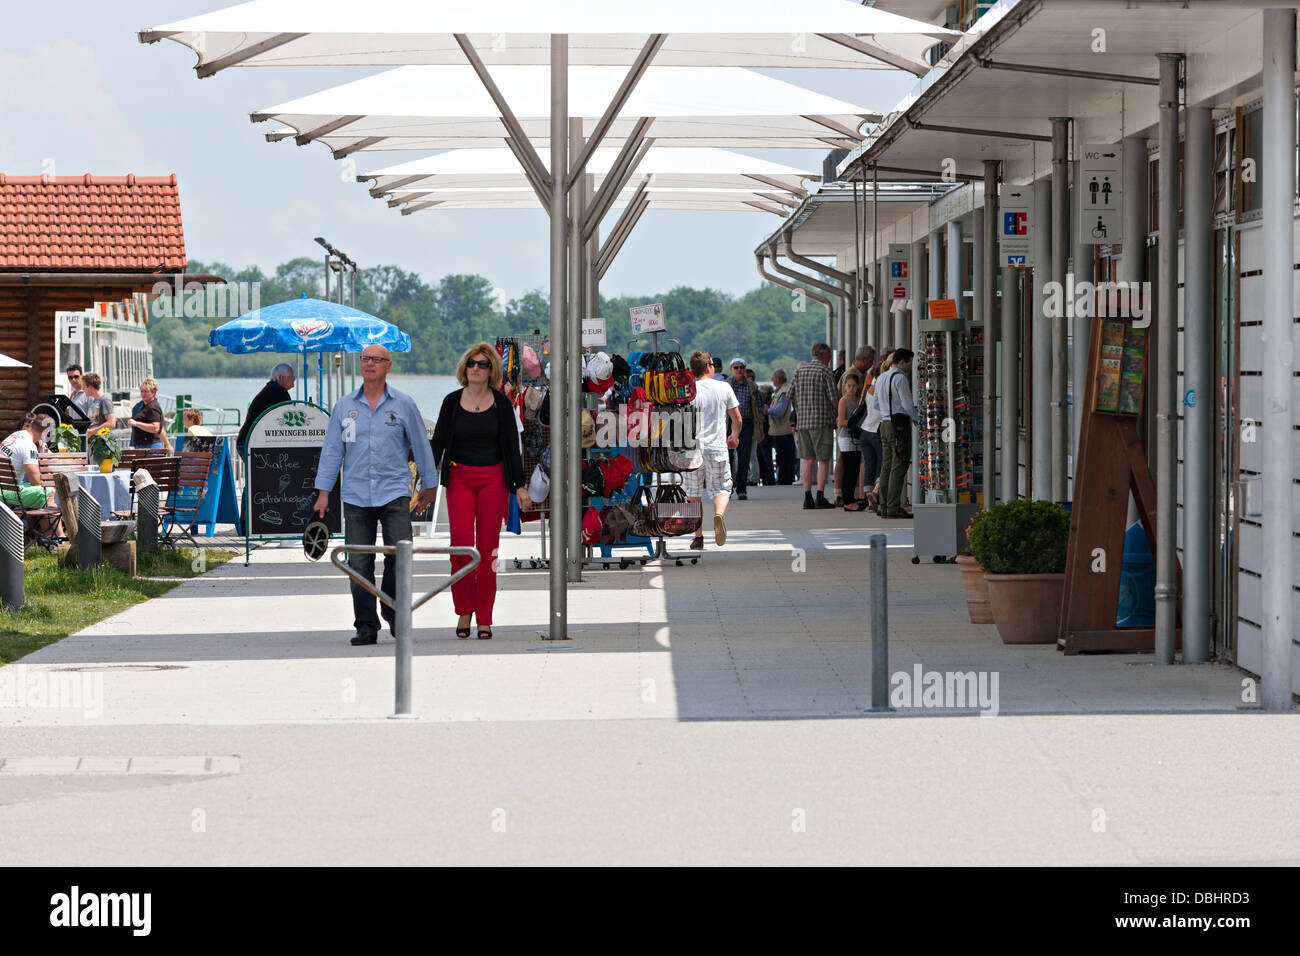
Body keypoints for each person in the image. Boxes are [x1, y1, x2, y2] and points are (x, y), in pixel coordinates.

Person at [313, 345, 438, 647]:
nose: (369, 364)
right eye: (365, 359)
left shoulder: (404, 404)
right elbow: (332, 451)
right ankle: (366, 626)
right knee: (358, 564)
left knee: (399, 557)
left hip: (395, 492)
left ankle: (392, 610)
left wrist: (430, 485)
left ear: (388, 366)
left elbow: (421, 445)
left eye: (376, 360)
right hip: (356, 494)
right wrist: (323, 492)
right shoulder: (344, 407)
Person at [430, 343, 529, 640]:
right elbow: (438, 444)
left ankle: (484, 616)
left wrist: (519, 486)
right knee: (460, 547)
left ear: (492, 371)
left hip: (493, 479)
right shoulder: (450, 402)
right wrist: (425, 479)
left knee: (488, 550)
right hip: (459, 477)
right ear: (465, 367)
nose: (476, 368)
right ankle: (464, 610)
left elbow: (512, 449)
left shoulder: (501, 405)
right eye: (472, 363)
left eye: (483, 364)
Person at [685, 351, 740, 552]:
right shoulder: (724, 387)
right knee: (722, 487)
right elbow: (737, 418)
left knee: (693, 494)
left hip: (692, 449)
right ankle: (718, 516)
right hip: (717, 447)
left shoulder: (689, 390)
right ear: (709, 366)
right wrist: (734, 436)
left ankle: (698, 538)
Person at [791, 342, 839, 510]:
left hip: (803, 422)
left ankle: (807, 497)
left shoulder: (800, 371)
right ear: (823, 355)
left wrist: (801, 408)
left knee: (807, 459)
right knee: (823, 460)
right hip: (822, 422)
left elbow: (790, 395)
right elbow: (834, 399)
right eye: (829, 356)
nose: (830, 360)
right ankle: (819, 496)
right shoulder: (825, 371)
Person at [874, 348, 919, 519]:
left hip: (884, 424)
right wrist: (917, 420)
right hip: (898, 425)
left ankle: (883, 506)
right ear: (901, 362)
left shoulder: (881, 377)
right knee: (899, 465)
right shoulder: (900, 378)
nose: (910, 366)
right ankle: (893, 506)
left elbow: (876, 404)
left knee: (886, 466)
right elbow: (907, 404)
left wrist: (887, 408)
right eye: (909, 362)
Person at [236, 362, 295, 456]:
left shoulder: (271, 389)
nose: (294, 379)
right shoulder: (280, 392)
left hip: (246, 440)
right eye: (291, 376)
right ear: (282, 377)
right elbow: (289, 420)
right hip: (251, 443)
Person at [0, 413, 56, 510]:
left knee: (39, 495)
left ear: (32, 423)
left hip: (4, 487)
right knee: (49, 492)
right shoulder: (29, 445)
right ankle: (54, 525)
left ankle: (41, 524)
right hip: (5, 491)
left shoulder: (15, 435)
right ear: (45, 432)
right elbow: (36, 481)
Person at [837, 370, 868, 511]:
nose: (851, 389)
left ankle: (851, 497)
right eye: (849, 386)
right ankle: (848, 501)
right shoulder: (844, 401)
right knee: (849, 470)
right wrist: (853, 423)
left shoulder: (860, 400)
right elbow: (841, 421)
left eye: (854, 386)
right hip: (846, 437)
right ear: (845, 386)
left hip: (857, 437)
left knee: (854, 470)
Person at [728, 358, 757, 500]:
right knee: (727, 456)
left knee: (744, 458)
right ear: (731, 370)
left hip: (746, 423)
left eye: (742, 367)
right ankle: (727, 487)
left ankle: (741, 488)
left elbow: (757, 407)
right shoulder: (726, 385)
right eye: (736, 367)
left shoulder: (752, 386)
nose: (739, 370)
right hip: (729, 423)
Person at [859, 360, 885, 513]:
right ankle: (876, 494)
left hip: (865, 430)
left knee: (869, 465)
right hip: (877, 430)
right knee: (882, 464)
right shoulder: (880, 389)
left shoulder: (869, 387)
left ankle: (869, 501)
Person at [767, 368, 796, 485]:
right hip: (781, 430)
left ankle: (785, 481)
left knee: (784, 458)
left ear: (778, 379)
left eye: (773, 378)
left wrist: (767, 411)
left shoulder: (784, 392)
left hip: (783, 431)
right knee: (783, 457)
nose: (771, 380)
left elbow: (780, 411)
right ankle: (785, 479)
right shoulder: (782, 390)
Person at [126, 378, 166, 450]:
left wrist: (136, 423)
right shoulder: (144, 406)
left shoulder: (153, 407)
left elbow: (155, 427)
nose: (143, 394)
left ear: (154, 392)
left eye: (146, 391)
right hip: (142, 446)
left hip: (150, 446)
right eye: (141, 391)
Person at [754, 376, 776, 486]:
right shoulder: (771, 401)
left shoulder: (765, 403)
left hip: (764, 431)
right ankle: (769, 479)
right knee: (767, 457)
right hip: (769, 431)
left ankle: (767, 479)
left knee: (764, 456)